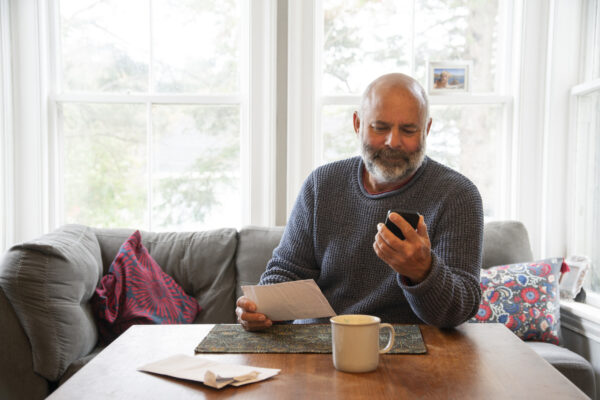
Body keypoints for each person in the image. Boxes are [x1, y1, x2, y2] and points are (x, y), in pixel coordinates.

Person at [236, 73, 483, 331]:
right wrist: (259, 311)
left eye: (408, 130)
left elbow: (459, 312)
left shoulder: (457, 195)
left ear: (427, 129)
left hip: (409, 349)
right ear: (357, 124)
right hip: (321, 344)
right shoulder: (322, 184)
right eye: (380, 127)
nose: (393, 142)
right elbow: (287, 272)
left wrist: (423, 272)